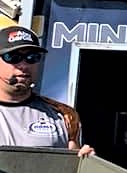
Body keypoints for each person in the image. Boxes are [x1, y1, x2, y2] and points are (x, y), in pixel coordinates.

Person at [0, 25, 93, 157]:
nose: (24, 65)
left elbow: (74, 169)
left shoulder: (64, 115)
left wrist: (86, 164)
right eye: (13, 57)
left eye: (32, 57)